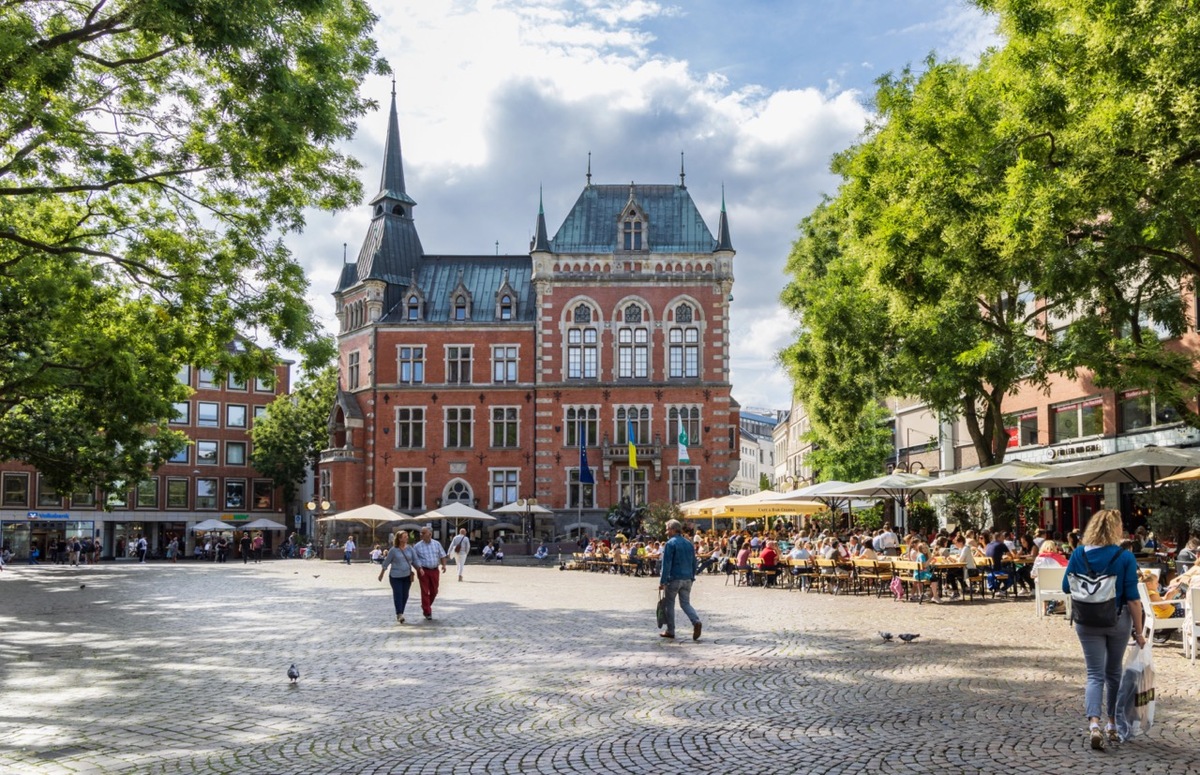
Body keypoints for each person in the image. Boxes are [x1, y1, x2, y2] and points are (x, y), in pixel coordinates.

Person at [1061, 509, 1146, 750]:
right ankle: (1112, 724)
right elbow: (1133, 599)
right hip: (1118, 620)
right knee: (1113, 673)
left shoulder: (1079, 553)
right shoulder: (1125, 556)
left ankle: (1094, 725)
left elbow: (1066, 586)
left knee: (1094, 674)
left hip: (1086, 620)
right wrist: (1139, 633)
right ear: (1116, 529)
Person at [658, 519, 702, 641]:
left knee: (669, 604)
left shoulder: (670, 543)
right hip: (687, 578)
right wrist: (692, 576)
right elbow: (694, 562)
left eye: (667, 529)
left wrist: (663, 581)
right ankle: (696, 620)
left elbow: (666, 564)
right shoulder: (688, 543)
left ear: (672, 529)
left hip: (674, 578)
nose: (666, 531)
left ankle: (670, 630)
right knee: (685, 603)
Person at [378, 531, 417, 623]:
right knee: (398, 594)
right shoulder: (393, 550)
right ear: (399, 539)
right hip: (395, 577)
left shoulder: (410, 549)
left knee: (405, 595)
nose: (407, 538)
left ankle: (401, 612)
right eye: (405, 537)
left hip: (407, 576)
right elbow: (386, 562)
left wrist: (420, 569)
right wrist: (381, 573)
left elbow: (415, 560)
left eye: (407, 536)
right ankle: (399, 614)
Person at [412, 527, 447, 619]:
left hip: (435, 570)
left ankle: (425, 606)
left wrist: (444, 565)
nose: (421, 535)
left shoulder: (437, 544)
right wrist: (419, 568)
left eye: (423, 533)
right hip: (423, 570)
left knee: (434, 591)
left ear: (430, 534)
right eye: (421, 533)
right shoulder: (417, 546)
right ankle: (427, 611)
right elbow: (414, 559)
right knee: (425, 591)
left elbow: (442, 555)